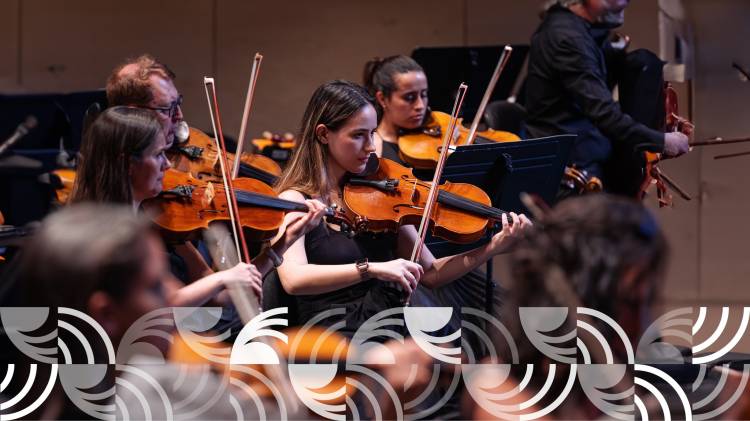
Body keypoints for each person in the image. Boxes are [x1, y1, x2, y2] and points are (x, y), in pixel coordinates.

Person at [273, 80, 530, 338]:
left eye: (372, 133)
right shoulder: (296, 199)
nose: (371, 146)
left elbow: (431, 273)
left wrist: (492, 248)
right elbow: (294, 279)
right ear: (323, 134)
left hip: (383, 321)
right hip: (330, 333)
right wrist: (371, 268)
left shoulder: (383, 192)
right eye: (358, 135)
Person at [523, 0, 690, 195]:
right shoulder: (568, 38)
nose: (624, 3)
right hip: (570, 168)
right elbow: (603, 113)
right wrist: (663, 141)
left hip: (584, 153)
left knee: (644, 61)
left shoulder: (576, 30)